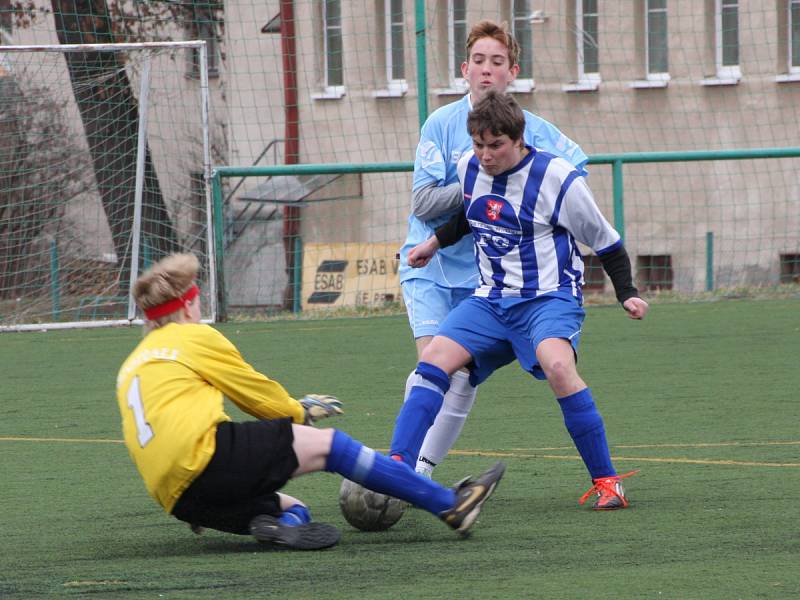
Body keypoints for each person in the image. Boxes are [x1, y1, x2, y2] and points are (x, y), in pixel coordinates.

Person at [115, 253, 505, 550]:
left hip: (180, 499)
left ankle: (281, 525)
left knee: (291, 506)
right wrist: (297, 410)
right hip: (204, 459)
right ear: (187, 305)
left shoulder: (130, 367)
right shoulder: (194, 337)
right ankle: (450, 504)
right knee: (332, 446)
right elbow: (255, 395)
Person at [393, 91, 648, 510]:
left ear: (518, 139)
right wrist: (434, 243)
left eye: (495, 146)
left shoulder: (557, 179)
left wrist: (628, 294)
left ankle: (607, 481)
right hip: (491, 300)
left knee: (558, 365)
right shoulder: (469, 168)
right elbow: (471, 215)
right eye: (478, 145)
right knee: (433, 360)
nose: (485, 155)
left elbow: (606, 241)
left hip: (548, 300)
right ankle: (397, 466)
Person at [399, 20, 588, 478]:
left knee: (461, 374)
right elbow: (424, 202)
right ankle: (403, 468)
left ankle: (417, 470)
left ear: (512, 72)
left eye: (497, 62)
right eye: (479, 61)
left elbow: (575, 172)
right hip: (433, 266)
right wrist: (485, 185)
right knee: (432, 365)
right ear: (465, 69)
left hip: (491, 277)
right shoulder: (441, 124)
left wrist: (528, 194)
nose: (487, 70)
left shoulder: (533, 131)